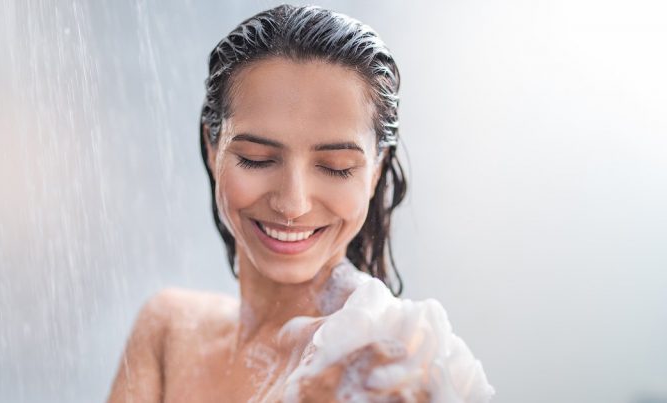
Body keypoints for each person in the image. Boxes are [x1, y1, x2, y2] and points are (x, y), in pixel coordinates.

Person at [108, 5, 491, 402]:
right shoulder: (169, 330)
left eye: (336, 167)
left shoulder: (393, 363)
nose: (293, 203)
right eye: (257, 159)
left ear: (376, 170)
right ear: (212, 146)